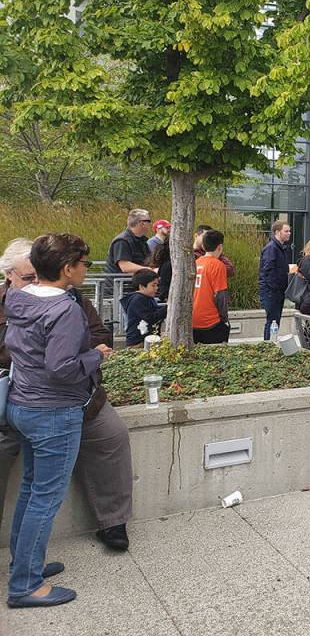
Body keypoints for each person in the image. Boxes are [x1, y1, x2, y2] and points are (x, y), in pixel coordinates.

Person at [0, 238, 133, 557]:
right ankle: (27, 573)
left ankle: (112, 521)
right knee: (42, 494)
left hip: (73, 399)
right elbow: (59, 364)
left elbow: (99, 334)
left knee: (111, 436)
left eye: (37, 275)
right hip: (20, 399)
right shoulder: (39, 303)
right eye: (28, 277)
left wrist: (69, 347)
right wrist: (83, 354)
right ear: (9, 276)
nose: (36, 282)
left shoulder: (69, 300)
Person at [193, 230, 230, 344]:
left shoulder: (196, 263)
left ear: (203, 246)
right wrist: (224, 319)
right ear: (220, 247)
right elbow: (220, 295)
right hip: (210, 321)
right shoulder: (218, 265)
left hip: (193, 319)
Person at [258, 220, 291, 341]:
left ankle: (271, 342)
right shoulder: (272, 248)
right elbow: (268, 271)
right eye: (286, 231)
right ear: (277, 232)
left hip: (277, 291)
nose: (289, 233)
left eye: (289, 231)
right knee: (272, 321)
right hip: (272, 292)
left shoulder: (280, 248)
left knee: (275, 321)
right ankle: (269, 344)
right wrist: (276, 288)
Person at [120, 269, 167, 347]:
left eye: (157, 285)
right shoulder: (138, 300)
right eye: (153, 285)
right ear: (141, 286)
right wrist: (167, 308)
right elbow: (150, 317)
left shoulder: (147, 298)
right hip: (138, 342)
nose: (156, 288)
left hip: (146, 339)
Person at [105, 209, 154, 275]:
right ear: (142, 223)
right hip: (121, 281)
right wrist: (150, 270)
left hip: (138, 278)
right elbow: (125, 267)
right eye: (149, 221)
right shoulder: (122, 241)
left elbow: (148, 261)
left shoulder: (143, 240)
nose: (150, 224)